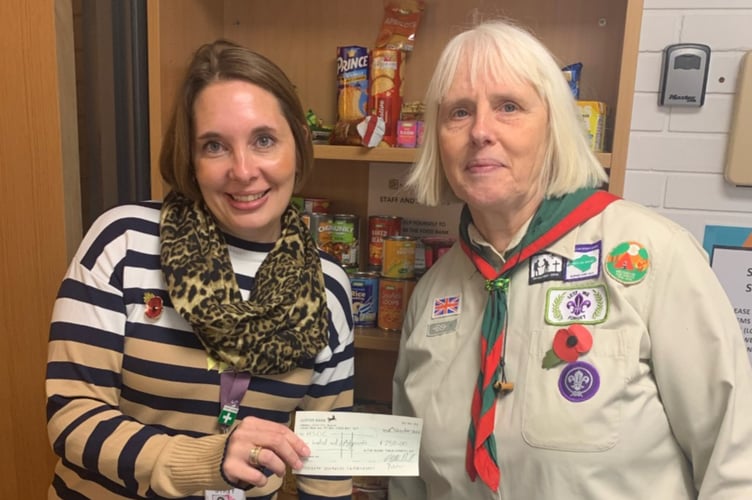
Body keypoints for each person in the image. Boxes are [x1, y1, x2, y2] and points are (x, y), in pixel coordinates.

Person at [390, 19, 752, 500]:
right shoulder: (434, 291)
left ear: (553, 126)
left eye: (509, 106)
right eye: (459, 112)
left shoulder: (653, 255)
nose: (480, 131)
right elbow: (408, 481)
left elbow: (736, 464)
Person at [45, 40, 354, 499]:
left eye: (264, 140)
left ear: (299, 145)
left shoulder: (329, 289)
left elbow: (326, 464)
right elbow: (72, 416)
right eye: (214, 146)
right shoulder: (125, 242)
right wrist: (208, 460)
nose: (243, 170)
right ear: (189, 157)